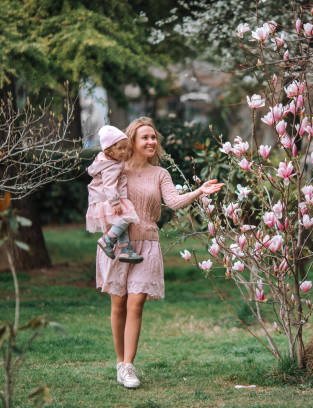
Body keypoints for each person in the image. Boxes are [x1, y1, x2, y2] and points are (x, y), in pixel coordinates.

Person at [95, 116, 223, 388]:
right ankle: (120, 362)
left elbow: (174, 202)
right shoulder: (117, 168)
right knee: (118, 304)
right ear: (132, 141)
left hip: (148, 243)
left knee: (136, 302)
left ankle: (129, 366)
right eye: (145, 137)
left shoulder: (161, 174)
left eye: (154, 137)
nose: (151, 141)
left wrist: (199, 191)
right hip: (119, 244)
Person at [86, 125, 143, 263]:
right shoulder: (112, 166)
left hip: (101, 199)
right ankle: (108, 240)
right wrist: (115, 202)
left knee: (120, 221)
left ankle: (125, 250)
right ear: (109, 150)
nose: (124, 152)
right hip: (109, 199)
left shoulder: (104, 160)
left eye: (126, 148)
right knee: (126, 218)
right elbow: (109, 185)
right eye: (120, 148)